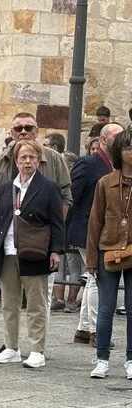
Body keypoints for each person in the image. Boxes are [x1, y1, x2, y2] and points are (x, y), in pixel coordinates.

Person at [0, 140, 65, 369]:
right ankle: (11, 347)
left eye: (32, 157)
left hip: (35, 251)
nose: (27, 162)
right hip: (9, 251)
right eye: (23, 158)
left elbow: (57, 222)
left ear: (38, 160)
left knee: (35, 304)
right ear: (16, 161)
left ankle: (37, 350)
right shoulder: (7, 188)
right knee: (9, 303)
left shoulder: (48, 187)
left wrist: (55, 250)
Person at [67, 123, 124, 345]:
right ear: (103, 140)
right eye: (117, 136)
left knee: (93, 277)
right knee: (96, 277)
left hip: (105, 230)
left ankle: (83, 329)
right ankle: (95, 330)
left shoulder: (115, 165)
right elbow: (73, 196)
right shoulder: (88, 163)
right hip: (86, 229)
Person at [86, 129, 132, 379]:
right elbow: (95, 221)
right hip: (108, 249)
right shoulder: (105, 183)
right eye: (128, 148)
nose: (131, 152)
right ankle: (102, 358)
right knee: (106, 308)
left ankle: (131, 359)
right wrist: (91, 259)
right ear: (119, 152)